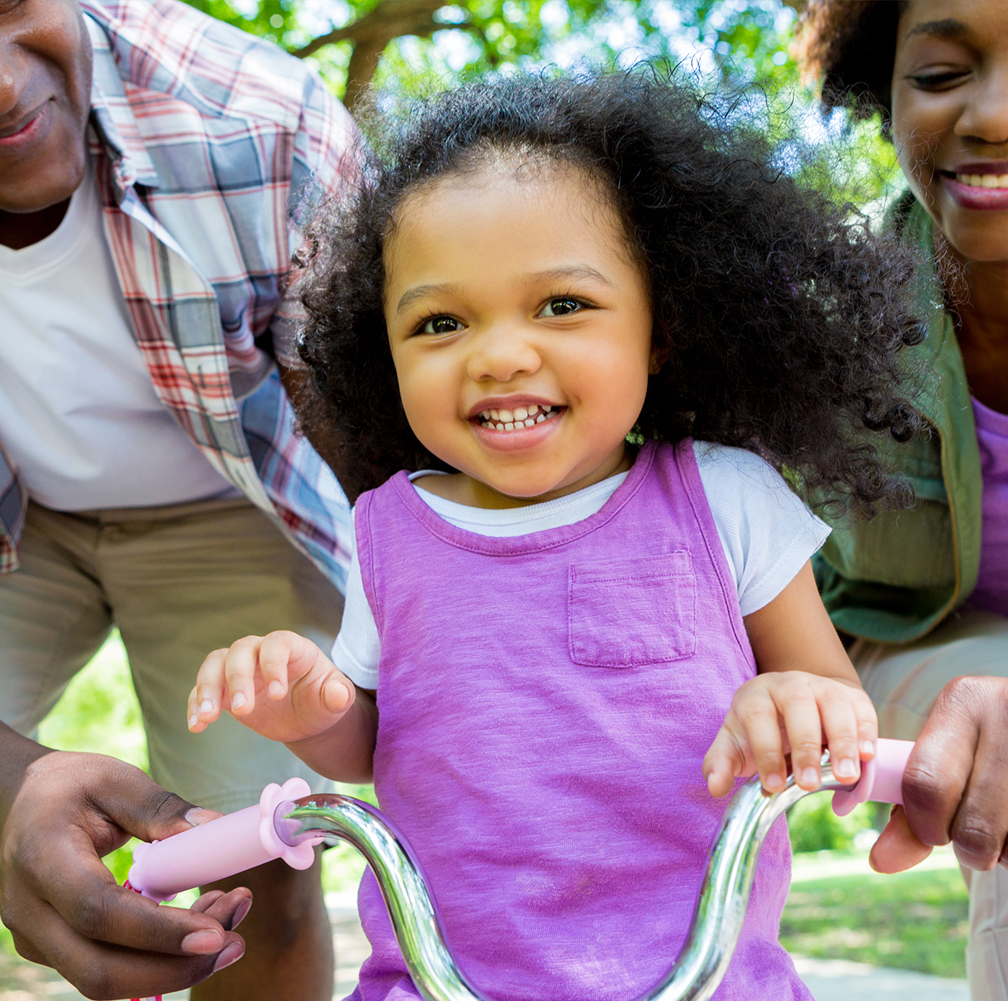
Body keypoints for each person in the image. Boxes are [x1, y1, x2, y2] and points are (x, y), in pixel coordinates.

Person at [188, 72, 925, 999]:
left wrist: (799, 708)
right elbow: (379, 751)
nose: (498, 354)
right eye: (441, 321)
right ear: (385, 350)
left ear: (662, 328)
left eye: (563, 305)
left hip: (704, 980)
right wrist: (307, 717)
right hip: (437, 980)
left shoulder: (726, 499)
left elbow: (836, 709)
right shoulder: (390, 531)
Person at [0, 0, 357, 998]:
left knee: (253, 855)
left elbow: (398, 450)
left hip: (231, 505)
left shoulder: (256, 121)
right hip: (21, 515)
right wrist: (8, 791)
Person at [798, 0, 1008, 992]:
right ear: (882, 95)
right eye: (940, 75)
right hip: (903, 644)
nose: (994, 115)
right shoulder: (820, 311)